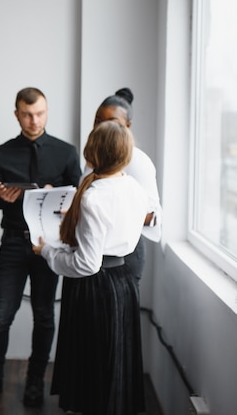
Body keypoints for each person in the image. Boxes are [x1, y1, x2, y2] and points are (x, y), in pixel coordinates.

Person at [33, 120, 148, 415]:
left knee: (92, 365)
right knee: (113, 364)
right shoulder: (134, 187)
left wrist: (47, 251)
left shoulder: (94, 196)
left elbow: (86, 263)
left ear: (93, 152)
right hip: (123, 282)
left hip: (95, 287)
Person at [0, 87, 81, 408]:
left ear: (47, 112)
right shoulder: (1, 152)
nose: (33, 120)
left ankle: (35, 382)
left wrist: (59, 194)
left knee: (44, 317)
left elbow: (79, 197)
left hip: (48, 246)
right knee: (0, 317)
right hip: (12, 242)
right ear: (16, 114)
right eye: (26, 114)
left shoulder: (66, 152)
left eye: (39, 113)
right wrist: (2, 197)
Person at [90, 88, 162, 284]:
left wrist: (99, 211)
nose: (101, 128)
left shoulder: (137, 161)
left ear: (127, 126)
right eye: (97, 121)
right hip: (93, 252)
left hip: (123, 256)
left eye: (110, 123)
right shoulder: (93, 157)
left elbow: (152, 217)